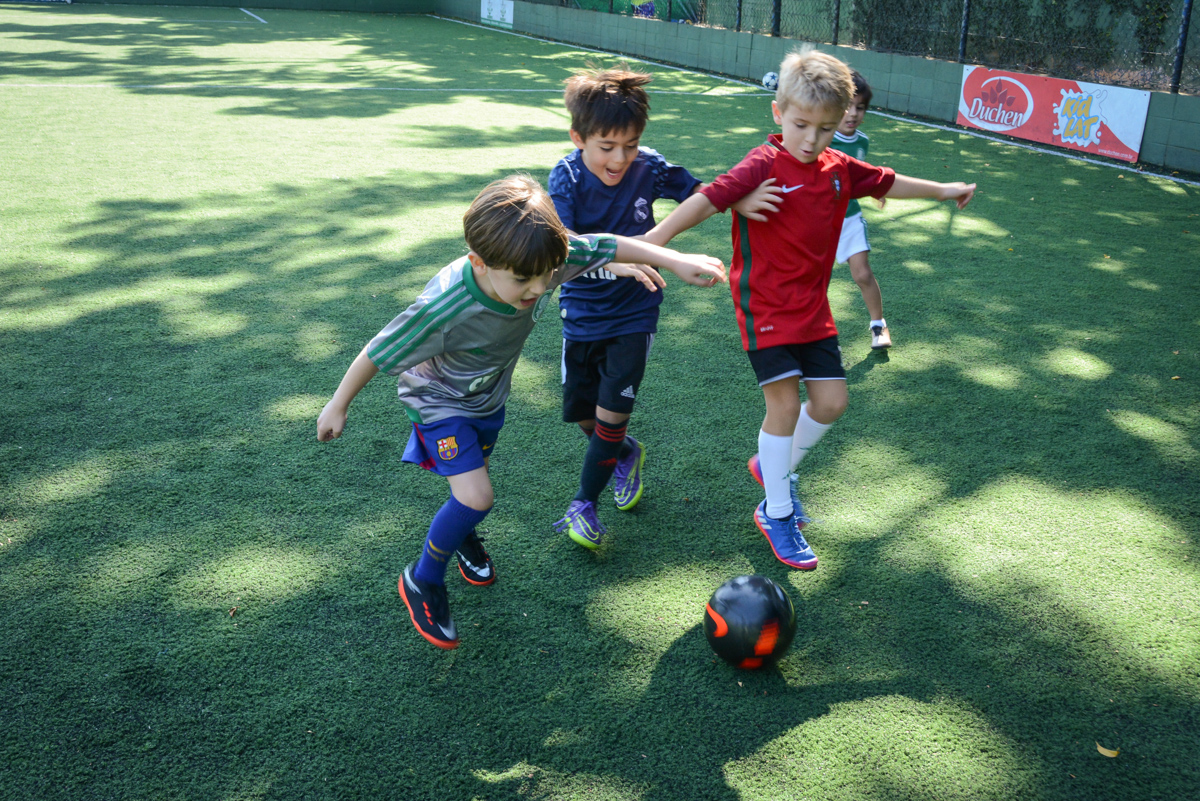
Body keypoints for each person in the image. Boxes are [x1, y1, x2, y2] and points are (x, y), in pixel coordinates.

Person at [316, 174, 725, 650]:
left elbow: (606, 245)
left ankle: (461, 534)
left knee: (471, 492)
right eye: (522, 280)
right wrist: (337, 404)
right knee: (476, 496)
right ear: (480, 263)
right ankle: (423, 579)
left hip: (488, 399)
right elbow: (378, 351)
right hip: (439, 401)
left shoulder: (541, 261)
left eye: (546, 275)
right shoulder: (445, 307)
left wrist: (675, 259)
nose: (537, 288)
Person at [643, 49, 975, 571]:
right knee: (783, 408)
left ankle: (772, 467)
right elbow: (708, 199)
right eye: (800, 124)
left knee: (832, 404)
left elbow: (887, 181)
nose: (811, 139)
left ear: (839, 122)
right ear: (779, 113)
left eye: (824, 128)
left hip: (813, 309)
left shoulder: (838, 169)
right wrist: (654, 245)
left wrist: (944, 190)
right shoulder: (762, 163)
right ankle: (776, 510)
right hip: (765, 306)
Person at [547, 66, 773, 549]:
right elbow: (562, 245)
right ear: (578, 138)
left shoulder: (648, 165)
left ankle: (582, 504)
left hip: (635, 312)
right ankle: (627, 454)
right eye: (607, 147)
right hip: (582, 312)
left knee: (610, 417)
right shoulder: (564, 177)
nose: (620, 158)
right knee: (587, 420)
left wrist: (741, 198)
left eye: (629, 145)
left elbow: (698, 190)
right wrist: (618, 261)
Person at [830, 70, 891, 349]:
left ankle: (878, 326)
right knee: (813, 281)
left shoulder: (862, 141)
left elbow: (860, 176)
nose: (853, 114)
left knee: (862, 274)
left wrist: (875, 189)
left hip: (849, 218)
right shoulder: (821, 136)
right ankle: (820, 339)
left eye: (860, 107)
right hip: (817, 222)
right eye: (847, 106)